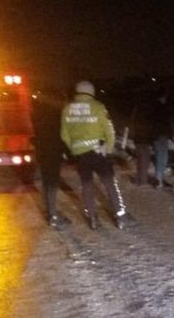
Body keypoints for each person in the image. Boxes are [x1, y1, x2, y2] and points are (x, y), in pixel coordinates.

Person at [60, 80, 127, 230]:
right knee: (110, 183)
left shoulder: (67, 109)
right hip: (98, 151)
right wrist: (108, 148)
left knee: (87, 186)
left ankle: (92, 218)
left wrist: (74, 148)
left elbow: (64, 135)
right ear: (91, 91)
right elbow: (109, 130)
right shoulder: (98, 107)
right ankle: (119, 215)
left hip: (81, 154)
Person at [31, 87, 70, 229]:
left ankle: (51, 212)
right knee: (52, 183)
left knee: (47, 182)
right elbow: (63, 136)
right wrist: (67, 152)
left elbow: (35, 135)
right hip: (54, 152)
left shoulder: (37, 113)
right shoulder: (58, 116)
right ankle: (53, 216)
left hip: (42, 152)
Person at [150, 92, 174, 188]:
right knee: (162, 158)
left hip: (157, 136)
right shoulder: (161, 108)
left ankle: (159, 179)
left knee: (160, 157)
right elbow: (165, 124)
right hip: (161, 136)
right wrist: (170, 134)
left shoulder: (154, 108)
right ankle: (159, 180)